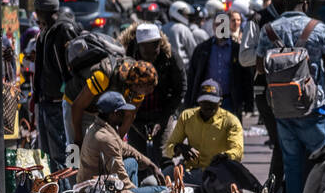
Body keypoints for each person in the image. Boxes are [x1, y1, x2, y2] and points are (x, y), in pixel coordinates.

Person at [256, 0, 325, 193]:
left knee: (292, 165)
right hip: (315, 108)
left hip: (283, 109)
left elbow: (261, 68)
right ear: (305, 3)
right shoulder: (320, 29)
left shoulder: (269, 30)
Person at [240, 0, 292, 186]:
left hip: (294, 91)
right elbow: (244, 57)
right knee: (281, 145)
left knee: (291, 145)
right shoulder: (257, 19)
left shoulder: (296, 17)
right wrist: (273, 56)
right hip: (267, 91)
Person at [78, 91, 167, 193]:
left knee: (132, 162)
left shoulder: (99, 127)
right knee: (163, 190)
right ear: (114, 114)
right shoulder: (105, 139)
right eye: (122, 112)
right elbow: (122, 179)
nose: (125, 115)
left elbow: (125, 148)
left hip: (101, 180)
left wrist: (150, 165)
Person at [122, 21, 187, 163]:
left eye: (155, 52)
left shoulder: (171, 58)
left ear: (159, 44)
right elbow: (121, 92)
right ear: (139, 47)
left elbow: (180, 88)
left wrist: (163, 119)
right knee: (136, 160)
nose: (151, 58)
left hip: (162, 111)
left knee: (164, 158)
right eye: (146, 53)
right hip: (134, 115)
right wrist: (133, 122)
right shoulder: (126, 60)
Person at [31, 0, 78, 171]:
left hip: (61, 104)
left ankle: (71, 192)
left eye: (37, 10)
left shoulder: (64, 30)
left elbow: (71, 69)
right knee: (49, 154)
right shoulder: (46, 31)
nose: (35, 14)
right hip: (46, 102)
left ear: (43, 10)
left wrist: (66, 95)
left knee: (66, 151)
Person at [164, 79, 244, 182]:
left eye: (212, 102)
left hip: (215, 174)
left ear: (220, 101)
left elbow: (238, 151)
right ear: (199, 101)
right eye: (205, 102)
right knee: (153, 181)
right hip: (189, 171)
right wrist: (179, 148)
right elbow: (168, 148)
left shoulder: (231, 121)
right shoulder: (187, 116)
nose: (208, 106)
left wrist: (223, 157)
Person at [69, 57, 158, 146]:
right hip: (74, 104)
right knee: (76, 150)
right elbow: (77, 106)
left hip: (97, 111)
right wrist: (78, 137)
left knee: (96, 150)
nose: (150, 92)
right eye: (148, 89)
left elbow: (129, 116)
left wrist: (116, 142)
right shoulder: (103, 77)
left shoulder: (137, 89)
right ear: (137, 84)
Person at [186, 10, 252, 115]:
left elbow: (246, 78)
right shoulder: (202, 49)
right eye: (217, 24)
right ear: (213, 26)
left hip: (230, 101)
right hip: (207, 101)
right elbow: (192, 77)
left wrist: (249, 104)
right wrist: (189, 103)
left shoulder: (237, 49)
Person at [164, 1, 199, 69]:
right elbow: (193, 51)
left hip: (166, 67)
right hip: (183, 68)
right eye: (185, 14)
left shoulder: (163, 28)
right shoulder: (184, 29)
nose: (187, 17)